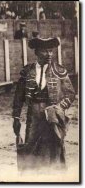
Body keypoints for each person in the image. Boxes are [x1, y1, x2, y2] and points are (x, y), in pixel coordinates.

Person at [12, 37, 75, 171]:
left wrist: (59, 107)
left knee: (54, 144)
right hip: (33, 113)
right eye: (45, 51)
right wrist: (16, 118)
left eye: (51, 51)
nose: (49, 54)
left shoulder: (59, 70)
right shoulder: (27, 71)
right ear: (37, 52)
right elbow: (18, 97)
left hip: (52, 113)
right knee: (30, 143)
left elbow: (70, 94)